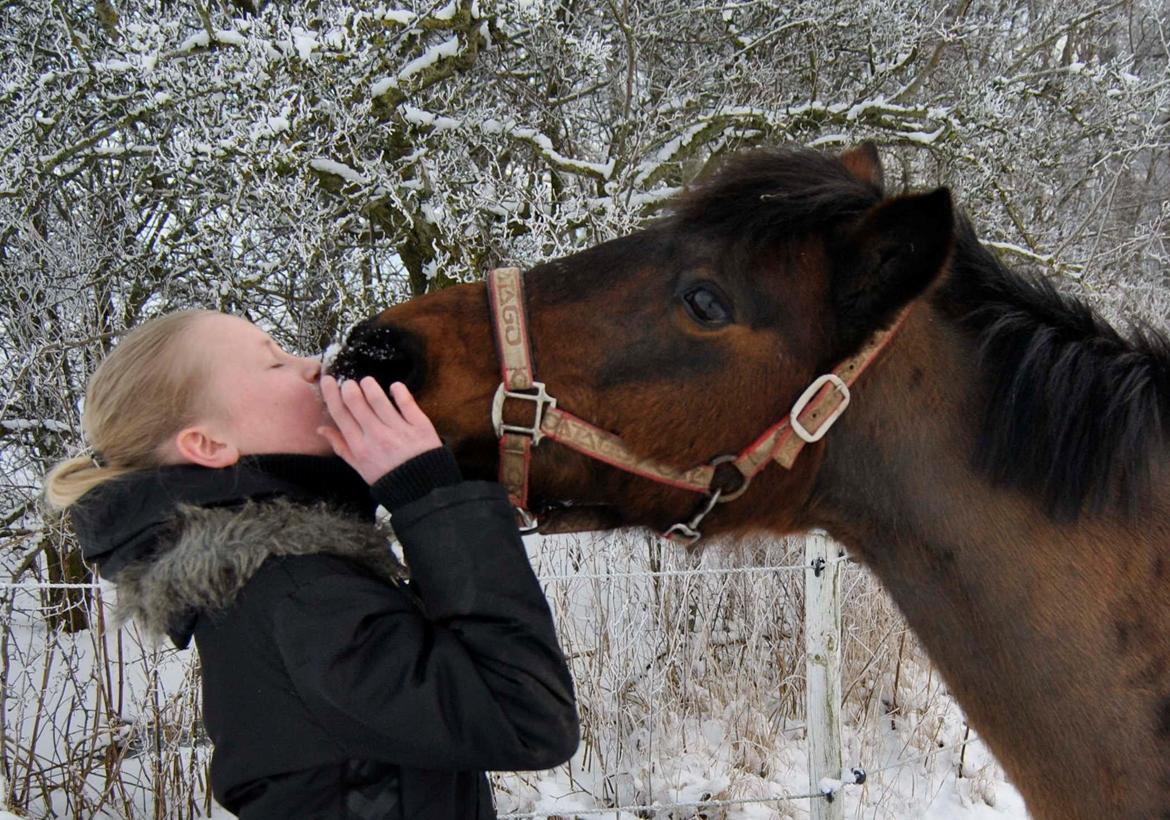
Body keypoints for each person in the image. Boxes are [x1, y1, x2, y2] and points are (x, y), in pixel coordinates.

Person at [44, 310, 579, 819]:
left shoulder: (276, 578)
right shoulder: (296, 593)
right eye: (275, 362)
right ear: (208, 444)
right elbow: (527, 717)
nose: (313, 366)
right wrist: (431, 496)